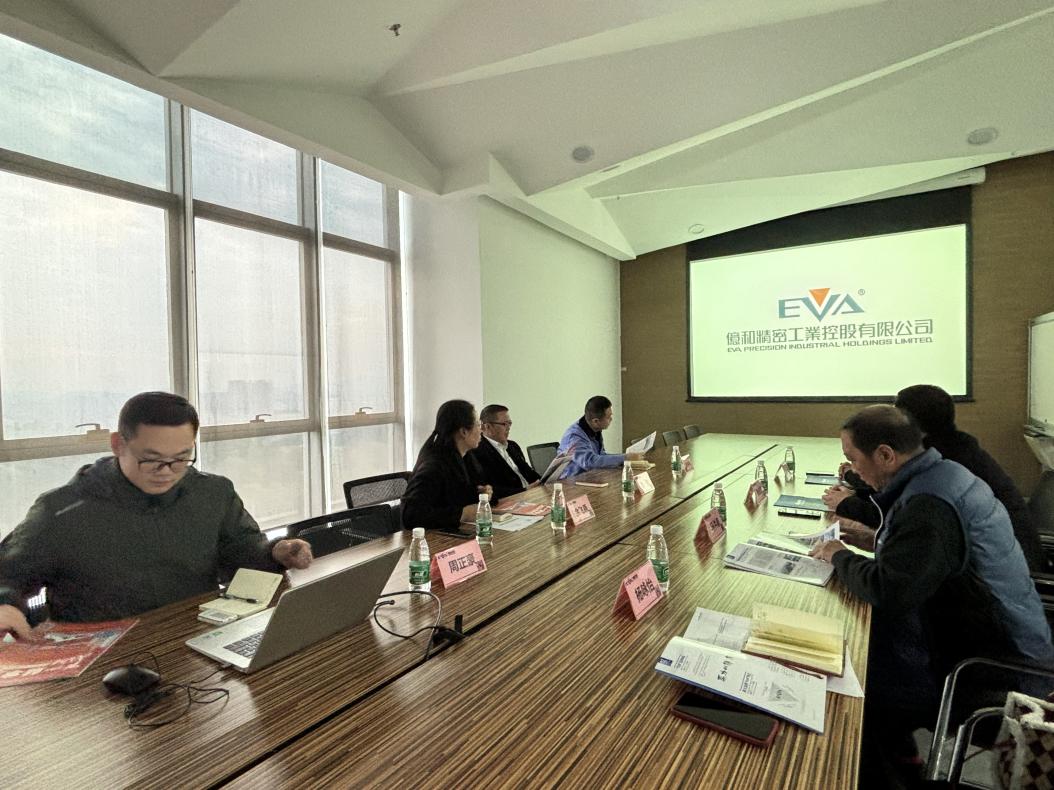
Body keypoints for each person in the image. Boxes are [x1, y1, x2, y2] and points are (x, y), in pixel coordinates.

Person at [810, 405, 1053, 786]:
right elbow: (935, 559)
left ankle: (891, 774)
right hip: (997, 635)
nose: (853, 471)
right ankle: (901, 757)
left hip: (990, 667)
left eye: (853, 459)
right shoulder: (942, 475)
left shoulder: (929, 506)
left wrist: (837, 554)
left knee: (849, 679)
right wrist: (875, 539)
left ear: (886, 455)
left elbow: (888, 590)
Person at [0, 392, 312, 639]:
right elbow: (7, 574)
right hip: (103, 661)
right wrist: (6, 605)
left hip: (195, 641)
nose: (167, 472)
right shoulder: (62, 510)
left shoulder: (212, 493)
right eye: (151, 460)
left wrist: (274, 553)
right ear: (118, 445)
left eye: (181, 459)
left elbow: (240, 552)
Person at [822, 384, 1046, 571]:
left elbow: (898, 516)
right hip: (995, 565)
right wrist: (878, 540)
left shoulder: (938, 471)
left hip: (994, 579)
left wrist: (847, 512)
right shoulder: (954, 447)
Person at [401, 400, 494, 534]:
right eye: (478, 425)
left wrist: (480, 493)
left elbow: (455, 495)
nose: (481, 430)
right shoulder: (434, 465)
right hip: (432, 539)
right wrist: (462, 514)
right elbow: (411, 515)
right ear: (463, 431)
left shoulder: (465, 456)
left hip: (454, 532)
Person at [468, 404, 540, 500]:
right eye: (504, 424)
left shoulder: (513, 446)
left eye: (510, 423)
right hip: (511, 501)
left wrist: (545, 480)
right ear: (488, 426)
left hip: (532, 496)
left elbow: (530, 473)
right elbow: (490, 489)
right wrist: (524, 490)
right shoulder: (476, 452)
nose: (508, 427)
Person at [558, 395, 641, 478]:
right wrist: (625, 457)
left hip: (590, 478)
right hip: (571, 482)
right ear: (596, 421)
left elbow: (601, 456)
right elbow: (590, 462)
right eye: (608, 417)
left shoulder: (595, 429)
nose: (611, 419)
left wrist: (626, 457)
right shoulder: (574, 436)